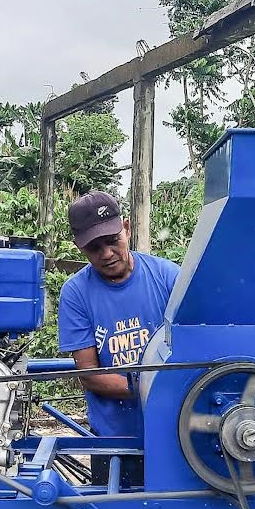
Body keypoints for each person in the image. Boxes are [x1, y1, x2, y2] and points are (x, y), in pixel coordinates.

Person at [57, 191, 179, 486]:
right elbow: (90, 374)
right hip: (115, 441)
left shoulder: (166, 277)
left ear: (126, 227)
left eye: (113, 241)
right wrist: (155, 389)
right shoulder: (76, 294)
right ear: (80, 248)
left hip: (173, 434)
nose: (107, 254)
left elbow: (195, 344)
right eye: (94, 248)